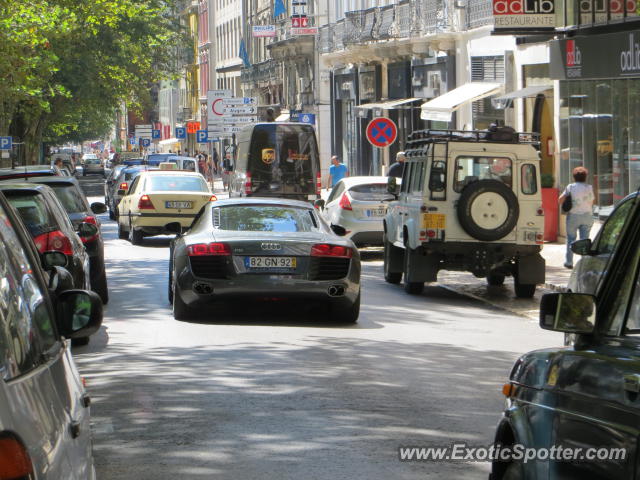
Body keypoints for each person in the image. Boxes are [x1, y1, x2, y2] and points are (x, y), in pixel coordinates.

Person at [558, 166, 594, 269]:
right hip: (587, 215)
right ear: (585, 177)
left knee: (571, 239)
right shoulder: (589, 187)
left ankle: (569, 262)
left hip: (573, 216)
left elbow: (560, 200)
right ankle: (583, 263)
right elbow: (592, 202)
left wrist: (567, 202)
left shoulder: (571, 187)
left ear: (574, 177)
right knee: (584, 240)